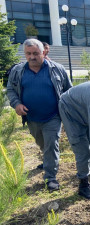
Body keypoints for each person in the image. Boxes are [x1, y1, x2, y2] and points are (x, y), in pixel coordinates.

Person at [6, 38, 72, 191]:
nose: (32, 57)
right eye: (28, 54)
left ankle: (50, 177)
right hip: (31, 117)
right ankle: (47, 160)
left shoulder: (57, 69)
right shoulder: (17, 71)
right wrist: (16, 104)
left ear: (43, 52)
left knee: (51, 144)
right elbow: (10, 90)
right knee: (42, 143)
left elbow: (69, 90)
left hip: (53, 116)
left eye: (35, 53)